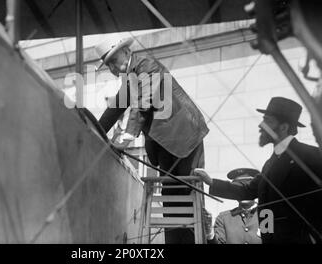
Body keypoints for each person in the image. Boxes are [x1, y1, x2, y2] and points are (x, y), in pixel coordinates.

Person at [95, 37, 209, 243]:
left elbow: (142, 104)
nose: (112, 66)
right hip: (166, 143)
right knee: (169, 195)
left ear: (127, 52)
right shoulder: (130, 77)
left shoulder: (147, 66)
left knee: (186, 193)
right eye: (108, 63)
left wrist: (125, 139)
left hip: (185, 137)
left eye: (114, 59)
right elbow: (116, 108)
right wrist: (97, 130)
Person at [194, 97, 322, 244]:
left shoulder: (312, 155)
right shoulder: (270, 163)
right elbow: (247, 191)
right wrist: (210, 181)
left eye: (268, 121)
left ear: (283, 127)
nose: (261, 125)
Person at [205, 168, 262, 244]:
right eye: (239, 189)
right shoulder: (223, 218)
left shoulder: (267, 215)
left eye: (246, 188)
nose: (243, 194)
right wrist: (210, 233)